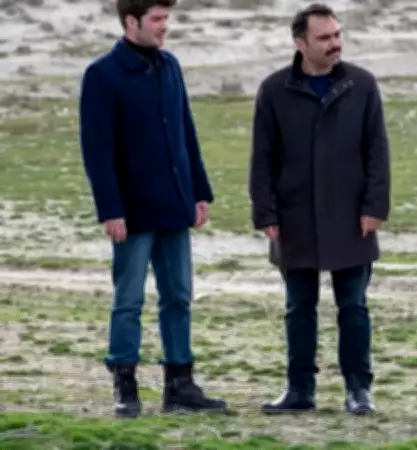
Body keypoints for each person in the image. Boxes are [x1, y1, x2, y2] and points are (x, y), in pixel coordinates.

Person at [77, 0, 227, 418]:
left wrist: (199, 192)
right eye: (157, 19)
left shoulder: (170, 65)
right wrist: (111, 208)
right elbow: (97, 150)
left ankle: (180, 385)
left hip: (175, 203)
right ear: (131, 21)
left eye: (166, 18)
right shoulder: (102, 74)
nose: (164, 27)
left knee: (178, 296)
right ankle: (125, 384)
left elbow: (185, 132)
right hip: (131, 211)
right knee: (128, 300)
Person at [248, 3, 391, 416]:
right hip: (294, 216)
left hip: (352, 216)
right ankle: (299, 390)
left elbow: (377, 152)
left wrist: (375, 207)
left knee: (354, 307)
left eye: (337, 35)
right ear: (301, 43)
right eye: (324, 38)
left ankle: (358, 390)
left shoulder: (362, 85)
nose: (335, 44)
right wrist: (266, 213)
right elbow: (262, 158)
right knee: (298, 308)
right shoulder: (274, 90)